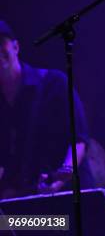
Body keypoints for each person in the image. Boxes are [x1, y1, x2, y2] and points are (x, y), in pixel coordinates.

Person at [0, 20, 89, 199]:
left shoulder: (54, 83)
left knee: (60, 224)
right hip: (25, 202)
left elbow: (79, 141)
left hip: (66, 197)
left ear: (16, 47)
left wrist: (62, 177)